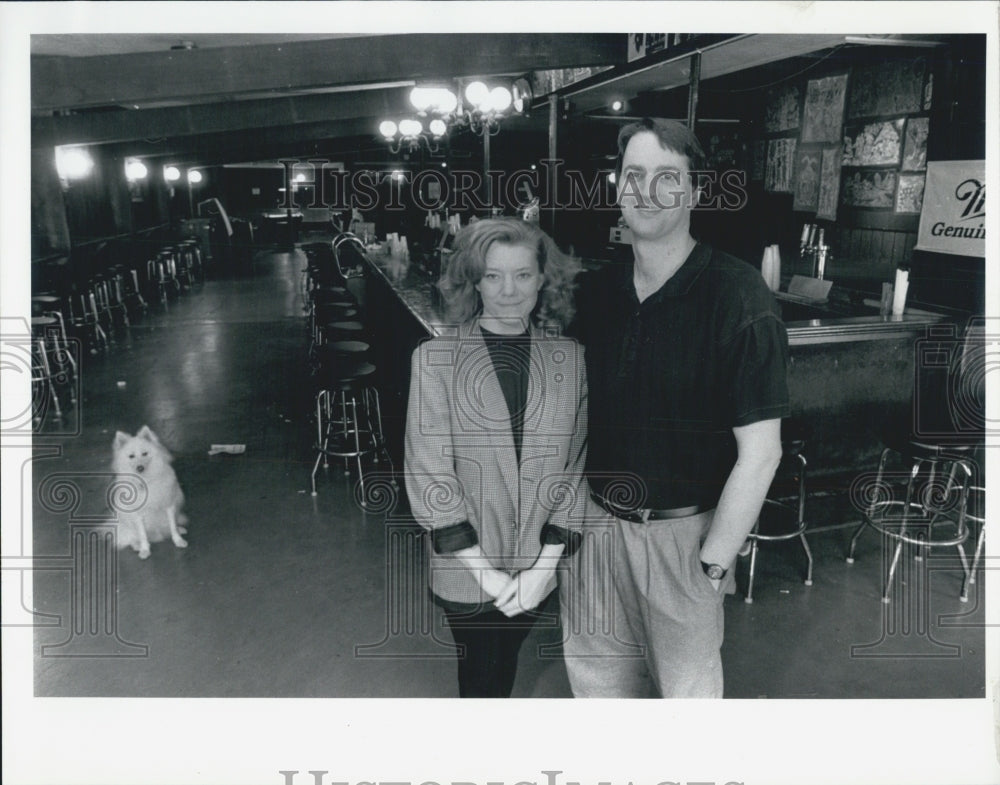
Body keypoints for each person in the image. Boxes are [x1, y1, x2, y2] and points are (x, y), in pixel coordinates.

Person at [563, 118, 790, 698]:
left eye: (667, 177)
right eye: (633, 175)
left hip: (682, 540)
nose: (646, 191)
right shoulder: (599, 294)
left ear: (694, 191)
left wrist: (713, 563)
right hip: (596, 532)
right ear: (617, 188)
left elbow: (761, 454)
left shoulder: (737, 296)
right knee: (598, 693)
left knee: (686, 708)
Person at [404, 218, 588, 698]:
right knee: (484, 678)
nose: (509, 290)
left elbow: (576, 467)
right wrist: (487, 575)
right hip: (468, 570)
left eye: (523, 275)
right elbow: (429, 475)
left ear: (544, 279)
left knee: (501, 669)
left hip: (537, 566)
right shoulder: (435, 360)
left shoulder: (571, 358)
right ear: (472, 280)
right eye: (492, 275)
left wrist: (542, 569)